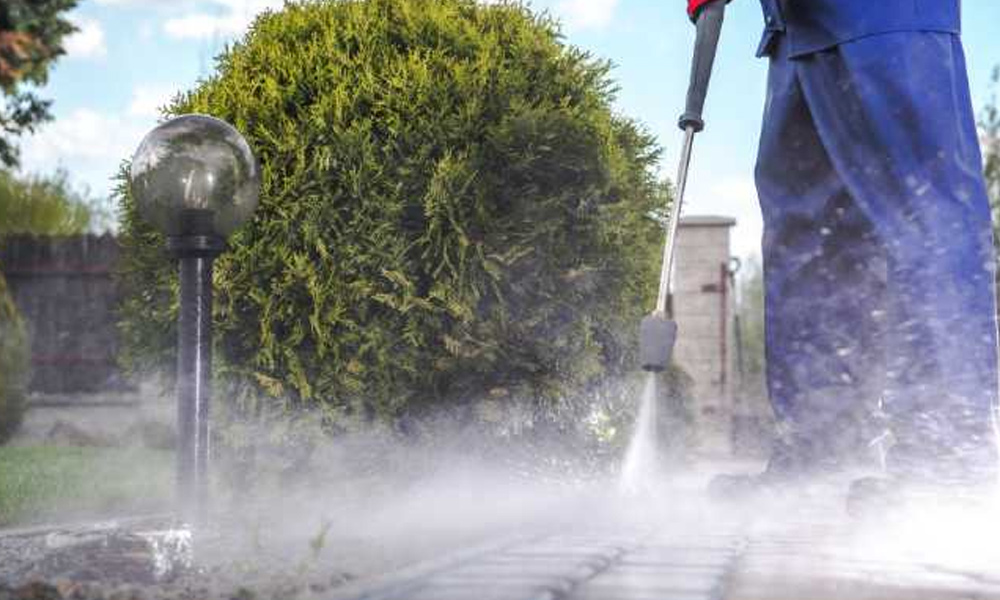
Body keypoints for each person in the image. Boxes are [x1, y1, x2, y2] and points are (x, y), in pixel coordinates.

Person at [688, 0, 1000, 508]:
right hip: (796, 28)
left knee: (923, 212)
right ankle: (823, 446)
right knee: (807, 235)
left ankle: (947, 458)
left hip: (886, 17)